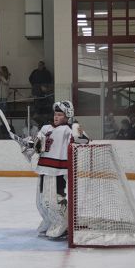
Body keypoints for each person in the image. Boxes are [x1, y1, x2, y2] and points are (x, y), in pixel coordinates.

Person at [33, 100, 89, 239]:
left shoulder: (69, 129)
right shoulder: (45, 128)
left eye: (59, 114)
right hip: (43, 169)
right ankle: (49, 221)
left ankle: (62, 224)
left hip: (58, 170)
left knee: (54, 200)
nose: (56, 117)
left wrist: (79, 133)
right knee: (40, 201)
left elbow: (84, 140)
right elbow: (38, 148)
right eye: (55, 114)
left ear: (67, 115)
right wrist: (32, 144)